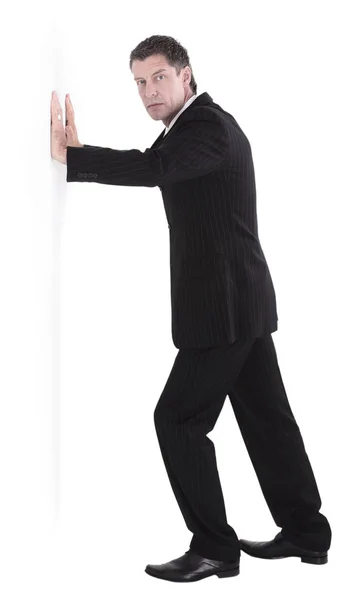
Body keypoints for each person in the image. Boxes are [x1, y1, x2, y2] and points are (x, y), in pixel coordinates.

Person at [50, 34, 332, 583]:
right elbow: (166, 165)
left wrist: (75, 158)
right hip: (241, 303)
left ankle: (214, 547)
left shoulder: (206, 127)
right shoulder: (198, 129)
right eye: (138, 82)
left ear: (186, 74)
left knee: (177, 420)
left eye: (158, 77)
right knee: (267, 419)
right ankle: (306, 532)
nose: (148, 91)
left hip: (222, 309)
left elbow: (155, 167)